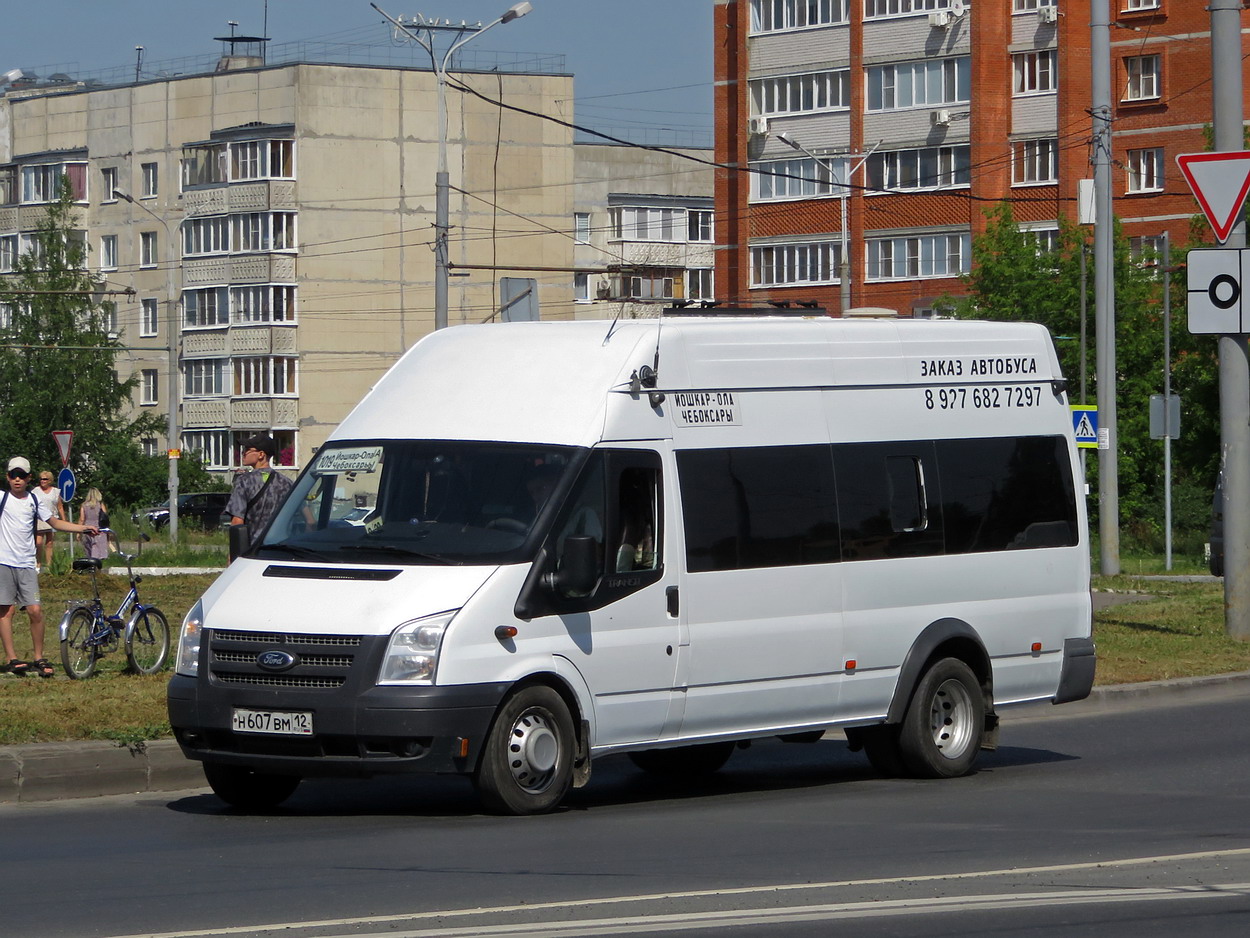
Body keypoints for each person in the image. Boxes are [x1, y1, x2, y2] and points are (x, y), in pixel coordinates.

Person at [1, 456, 100, 678]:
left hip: (26, 564)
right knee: (6, 611)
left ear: (28, 478)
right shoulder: (2, 499)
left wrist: (82, 528)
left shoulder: (33, 500)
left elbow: (55, 522)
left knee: (35, 611)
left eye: (22, 476)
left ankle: (39, 658)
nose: (17, 480)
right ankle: (12, 659)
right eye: (12, 475)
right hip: (3, 562)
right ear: (7, 477)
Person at [226, 434, 293, 551]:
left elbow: (237, 521)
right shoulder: (287, 483)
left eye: (247, 450)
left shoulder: (244, 481)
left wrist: (232, 555)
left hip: (253, 550)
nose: (243, 453)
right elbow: (309, 519)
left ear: (261, 454)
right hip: (282, 549)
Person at [32, 469, 66, 572]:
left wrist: (64, 520)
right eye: (41, 479)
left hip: (52, 518)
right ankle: (38, 563)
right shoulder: (35, 491)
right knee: (38, 542)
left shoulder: (55, 492)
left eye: (45, 479)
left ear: (50, 480)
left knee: (50, 543)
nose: (43, 481)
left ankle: (49, 565)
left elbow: (60, 507)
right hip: (39, 519)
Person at [79, 487, 111, 560]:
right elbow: (105, 517)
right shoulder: (100, 505)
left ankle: (91, 566)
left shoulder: (84, 505)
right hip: (99, 529)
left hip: (87, 530)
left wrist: (78, 531)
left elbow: (82, 519)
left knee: (89, 550)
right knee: (99, 551)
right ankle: (98, 566)